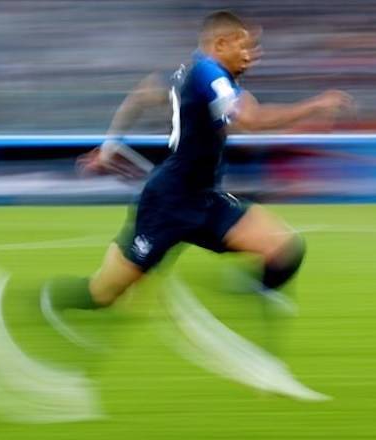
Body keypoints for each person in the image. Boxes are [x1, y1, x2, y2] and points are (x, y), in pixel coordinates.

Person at [41, 10, 353, 341]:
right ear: (220, 43)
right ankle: (47, 301)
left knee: (283, 249)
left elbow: (144, 92)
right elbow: (251, 119)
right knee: (103, 294)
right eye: (245, 47)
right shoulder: (209, 73)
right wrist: (317, 105)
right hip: (167, 205)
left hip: (203, 199)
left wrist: (108, 146)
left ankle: (253, 322)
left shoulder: (189, 73)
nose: (252, 56)